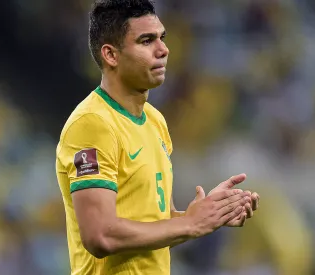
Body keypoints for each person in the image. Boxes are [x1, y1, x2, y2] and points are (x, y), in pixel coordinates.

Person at [55, 1, 260, 274]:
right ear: (111, 55)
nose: (163, 49)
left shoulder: (155, 121)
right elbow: (100, 235)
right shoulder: (92, 124)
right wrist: (189, 224)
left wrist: (205, 215)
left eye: (161, 38)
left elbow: (155, 224)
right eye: (146, 41)